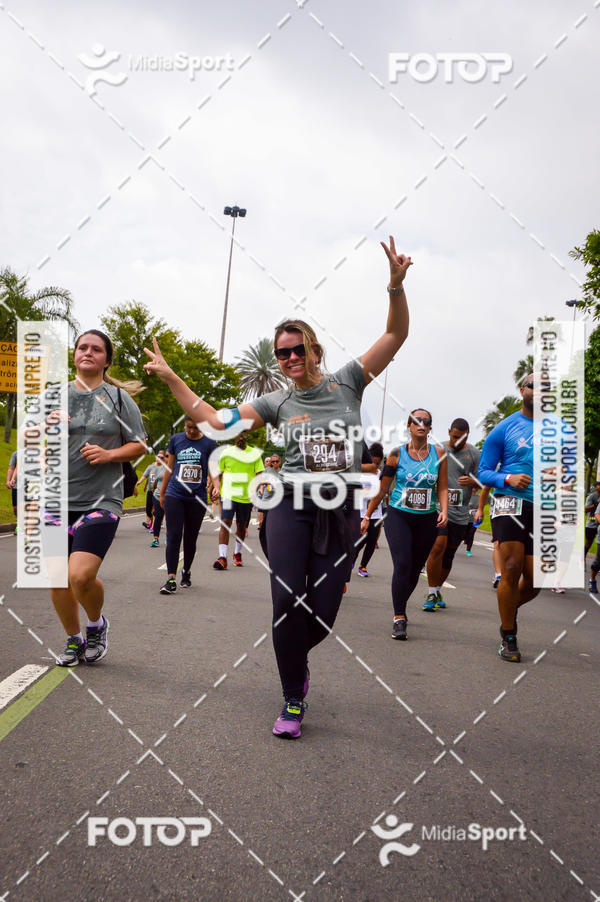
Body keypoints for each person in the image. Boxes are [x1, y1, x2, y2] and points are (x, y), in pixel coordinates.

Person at [144, 234, 412, 738]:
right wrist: (173, 377)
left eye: (294, 349)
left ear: (313, 347)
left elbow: (395, 335)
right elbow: (214, 420)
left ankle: (294, 657)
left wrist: (395, 288)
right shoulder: (275, 404)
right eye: (280, 353)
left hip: (339, 511)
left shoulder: (350, 380)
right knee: (287, 601)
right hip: (289, 505)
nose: (288, 358)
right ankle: (293, 694)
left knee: (324, 613)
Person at [50, 330, 146, 666]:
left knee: (79, 575)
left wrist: (108, 455)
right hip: (56, 498)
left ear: (106, 359)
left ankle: (97, 624)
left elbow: (139, 444)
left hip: (101, 499)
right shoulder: (54, 396)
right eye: (82, 347)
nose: (87, 352)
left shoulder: (118, 399)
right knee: (56, 577)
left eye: (96, 349)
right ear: (74, 354)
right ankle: (74, 640)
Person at [362, 409, 448, 639]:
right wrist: (367, 516)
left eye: (426, 422)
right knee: (402, 564)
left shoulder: (439, 454)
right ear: (409, 426)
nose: (421, 424)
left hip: (427, 518)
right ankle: (399, 616)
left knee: (413, 569)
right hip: (399, 515)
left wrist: (444, 511)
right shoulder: (396, 454)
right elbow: (382, 489)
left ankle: (400, 601)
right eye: (416, 421)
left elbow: (442, 487)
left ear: (430, 428)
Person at [478, 374, 539, 663]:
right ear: (522, 390)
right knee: (512, 566)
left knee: (537, 580)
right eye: (533, 386)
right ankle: (508, 634)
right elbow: (484, 472)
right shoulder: (504, 428)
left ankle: (508, 608)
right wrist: (509, 477)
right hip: (509, 500)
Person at [424, 419, 483, 610]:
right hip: (438, 508)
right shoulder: (437, 449)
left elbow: (484, 482)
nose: (457, 441)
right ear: (449, 432)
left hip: (460, 511)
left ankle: (437, 588)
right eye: (454, 436)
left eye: (462, 438)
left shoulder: (474, 454)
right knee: (436, 547)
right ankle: (431, 593)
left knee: (448, 554)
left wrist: (473, 482)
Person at [158, 416, 216, 593]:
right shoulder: (176, 439)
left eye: (195, 428)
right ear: (184, 425)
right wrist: (162, 491)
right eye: (189, 427)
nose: (191, 431)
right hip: (175, 493)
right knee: (174, 535)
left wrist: (217, 487)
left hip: (196, 497)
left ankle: (187, 571)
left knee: (190, 538)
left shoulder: (209, 443)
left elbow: (214, 469)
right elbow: (170, 466)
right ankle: (170, 578)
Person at [212, 432, 264, 569]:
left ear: (247, 437)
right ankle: (222, 557)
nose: (241, 438)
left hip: (246, 497)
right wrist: (216, 487)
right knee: (226, 522)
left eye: (244, 436)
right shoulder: (226, 453)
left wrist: (260, 488)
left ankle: (237, 553)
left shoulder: (254, 454)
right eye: (238, 435)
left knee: (241, 527)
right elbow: (218, 472)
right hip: (228, 495)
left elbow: (260, 474)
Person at [355, 442, 385, 577]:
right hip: (361, 513)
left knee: (372, 541)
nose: (375, 466)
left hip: (375, 514)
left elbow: (382, 492)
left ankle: (363, 566)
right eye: (373, 462)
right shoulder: (361, 474)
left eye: (378, 463)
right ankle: (351, 559)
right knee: (359, 541)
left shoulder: (381, 475)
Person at [149, 450, 167, 546]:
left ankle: (169, 537)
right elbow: (154, 482)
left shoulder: (175, 469)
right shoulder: (158, 468)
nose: (162, 459)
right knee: (158, 516)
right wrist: (153, 492)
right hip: (157, 496)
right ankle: (156, 539)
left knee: (170, 518)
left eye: (164, 457)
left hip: (170, 497)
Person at [584, 481, 600, 560]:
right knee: (588, 544)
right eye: (599, 485)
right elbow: (586, 509)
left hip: (599, 525)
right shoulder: (591, 496)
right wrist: (597, 503)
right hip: (591, 524)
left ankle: (597, 564)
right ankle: (582, 558)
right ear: (595, 487)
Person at [6, 449, 18, 534]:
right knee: (15, 508)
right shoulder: (16, 454)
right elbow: (11, 468)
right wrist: (8, 480)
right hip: (17, 486)